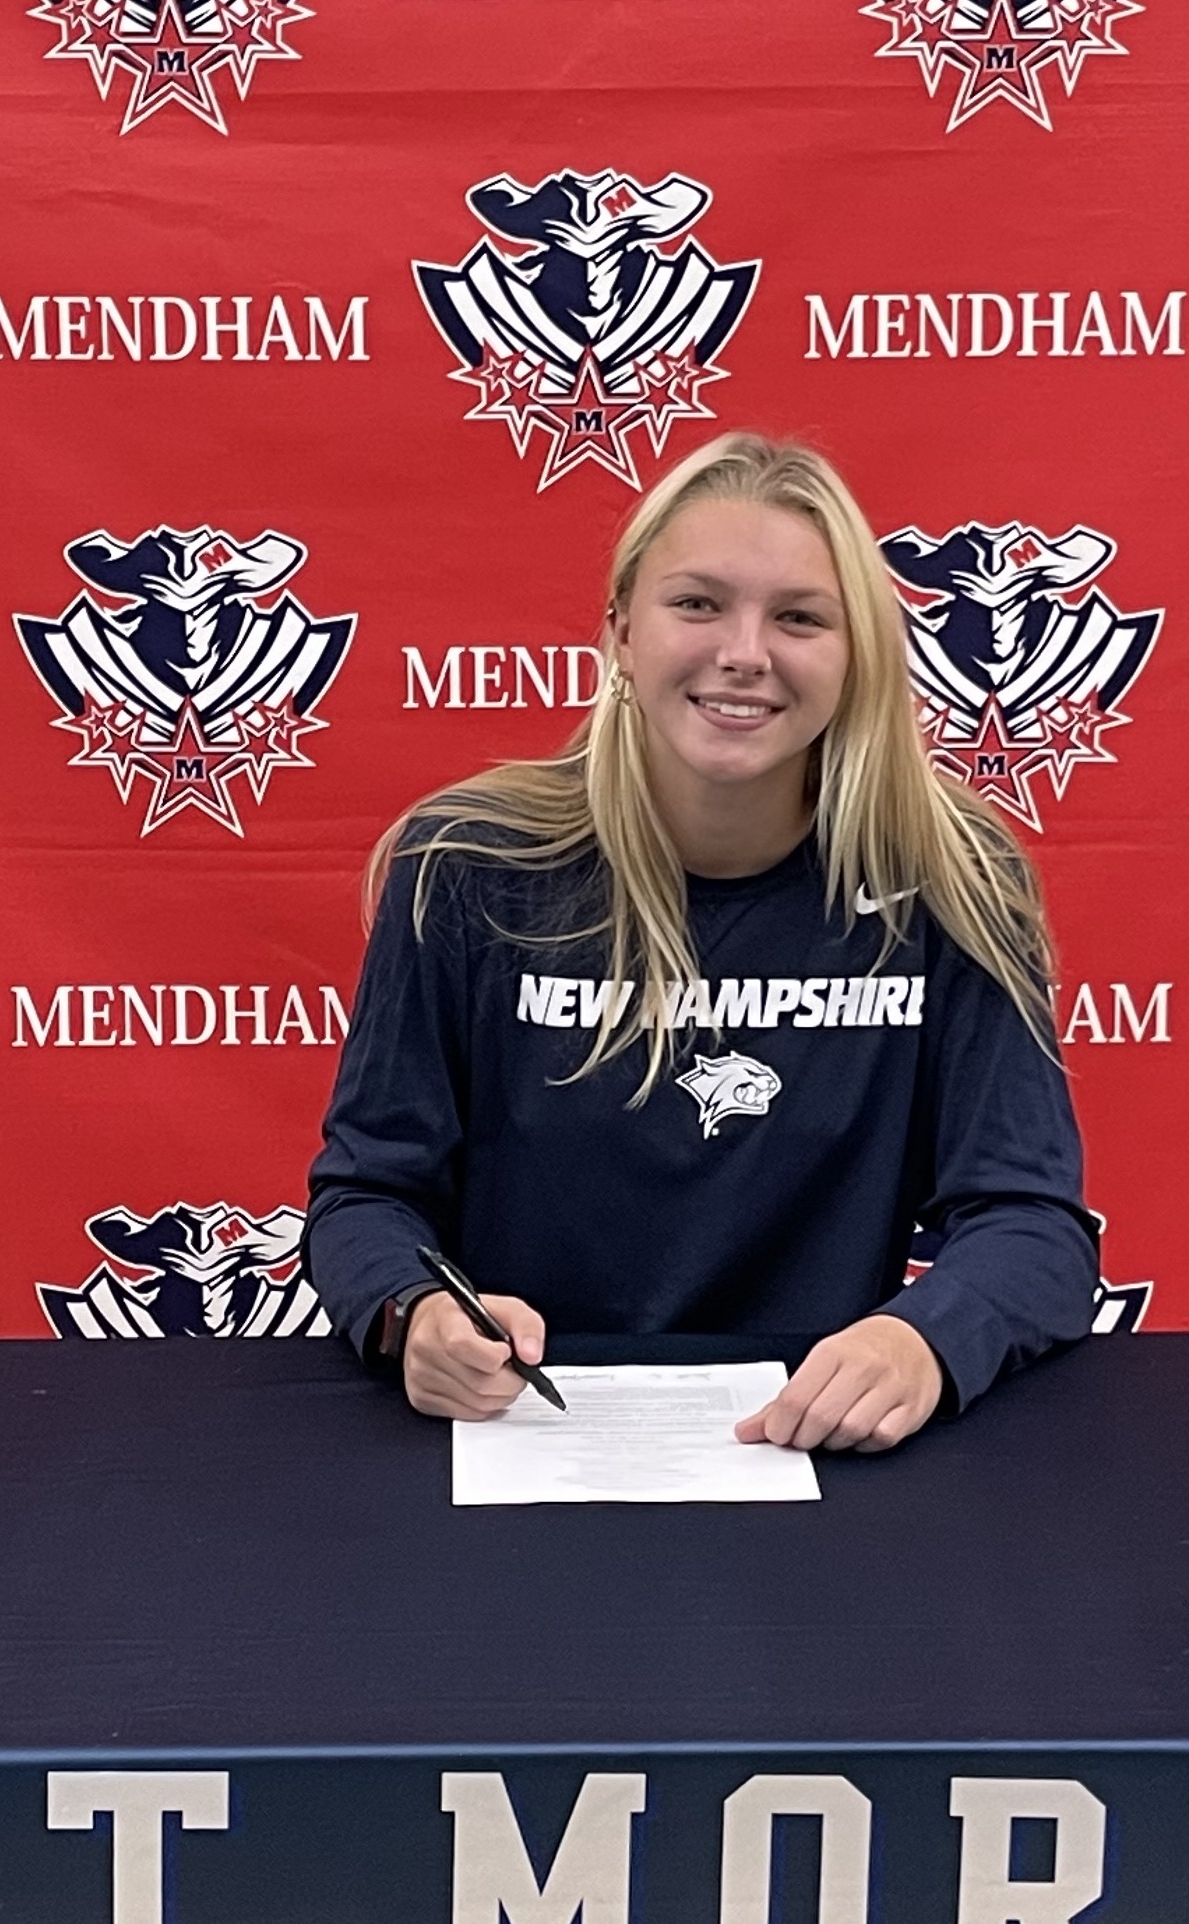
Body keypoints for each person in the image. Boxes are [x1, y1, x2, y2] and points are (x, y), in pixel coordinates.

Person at [305, 431, 1099, 1452]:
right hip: (525, 1438)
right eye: (697, 603)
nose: (743, 652)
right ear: (620, 632)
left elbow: (1033, 1226)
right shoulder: (466, 863)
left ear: (856, 655)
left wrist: (921, 1344)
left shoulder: (948, 881)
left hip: (819, 1450)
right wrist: (413, 1310)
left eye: (800, 618)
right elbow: (368, 1191)